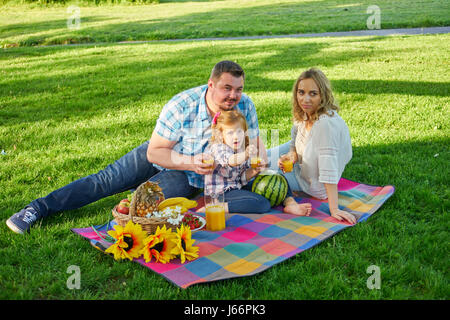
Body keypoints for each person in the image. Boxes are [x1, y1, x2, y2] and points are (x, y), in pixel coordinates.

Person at [6, 60, 268, 234]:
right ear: (211, 85)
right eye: (227, 88)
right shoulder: (182, 105)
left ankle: (107, 231)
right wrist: (190, 162)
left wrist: (259, 159)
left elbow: (256, 144)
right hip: (162, 155)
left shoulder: (245, 105)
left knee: (145, 203)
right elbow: (156, 151)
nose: (233, 96)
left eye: (238, 89)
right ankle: (37, 209)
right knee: (104, 182)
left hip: (188, 177)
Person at [277, 68, 356, 224]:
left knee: (263, 173)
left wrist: (334, 209)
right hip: (304, 162)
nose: (305, 99)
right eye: (301, 92)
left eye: (313, 94)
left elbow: (328, 168)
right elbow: (293, 141)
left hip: (312, 183)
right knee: (261, 156)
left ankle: (289, 203)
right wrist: (292, 155)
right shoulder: (305, 113)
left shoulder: (325, 125)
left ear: (322, 95)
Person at [204, 110, 312, 215]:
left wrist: (254, 171)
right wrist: (246, 155)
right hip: (221, 193)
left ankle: (290, 203)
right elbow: (231, 161)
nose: (236, 136)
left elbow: (242, 178)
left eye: (239, 131)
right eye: (230, 133)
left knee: (277, 177)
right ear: (220, 135)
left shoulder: (240, 148)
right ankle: (216, 207)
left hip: (237, 186)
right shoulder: (218, 147)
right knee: (262, 204)